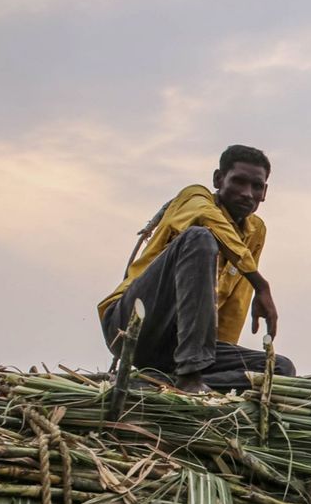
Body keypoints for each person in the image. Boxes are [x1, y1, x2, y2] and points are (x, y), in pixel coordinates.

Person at [98, 145, 294, 393]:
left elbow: (235, 306)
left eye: (256, 186)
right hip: (132, 327)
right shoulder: (194, 198)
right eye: (238, 182)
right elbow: (207, 220)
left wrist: (211, 359)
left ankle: (164, 383)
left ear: (265, 192)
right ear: (218, 179)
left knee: (279, 370)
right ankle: (189, 378)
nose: (247, 193)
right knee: (200, 238)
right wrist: (260, 283)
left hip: (182, 348)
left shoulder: (256, 231)